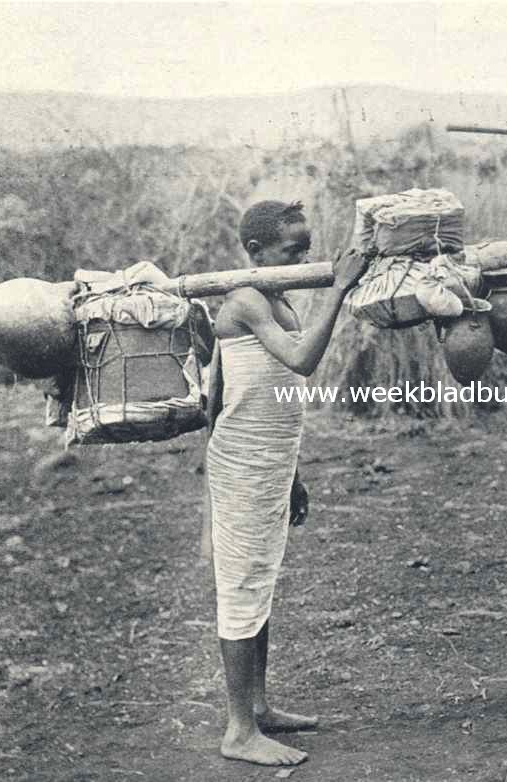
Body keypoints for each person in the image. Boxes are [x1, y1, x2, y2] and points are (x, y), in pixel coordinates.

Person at [204, 200, 367, 765]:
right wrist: (339, 290)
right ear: (255, 252)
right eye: (291, 251)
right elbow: (300, 361)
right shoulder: (247, 300)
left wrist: (292, 474)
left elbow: (266, 394)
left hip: (270, 462)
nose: (303, 260)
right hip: (242, 464)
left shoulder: (278, 300)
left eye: (306, 250)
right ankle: (238, 730)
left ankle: (258, 707)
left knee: (261, 584)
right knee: (242, 588)